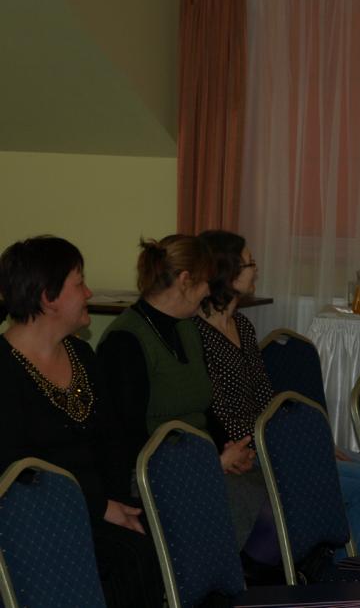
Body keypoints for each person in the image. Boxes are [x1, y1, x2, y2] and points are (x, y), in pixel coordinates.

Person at [0, 236, 163, 608]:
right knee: (130, 559)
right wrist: (100, 507)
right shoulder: (4, 369)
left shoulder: (81, 353)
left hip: (98, 505)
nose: (88, 292)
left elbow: (112, 442)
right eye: (79, 283)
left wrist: (118, 504)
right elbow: (15, 469)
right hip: (36, 519)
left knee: (167, 533)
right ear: (49, 297)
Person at [194, 229, 360, 556]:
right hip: (250, 454)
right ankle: (343, 575)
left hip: (272, 443)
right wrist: (286, 448)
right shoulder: (198, 335)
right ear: (228, 273)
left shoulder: (243, 326)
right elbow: (218, 412)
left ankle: (340, 568)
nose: (256, 270)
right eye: (250, 263)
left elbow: (268, 400)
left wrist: (308, 441)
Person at [97, 235, 272, 566]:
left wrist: (228, 449)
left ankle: (247, 576)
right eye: (206, 281)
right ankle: (222, 579)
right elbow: (128, 439)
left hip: (196, 459)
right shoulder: (125, 341)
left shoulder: (187, 329)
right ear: (185, 280)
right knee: (264, 511)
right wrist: (210, 464)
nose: (209, 291)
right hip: (153, 471)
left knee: (285, 493)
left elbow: (204, 408)